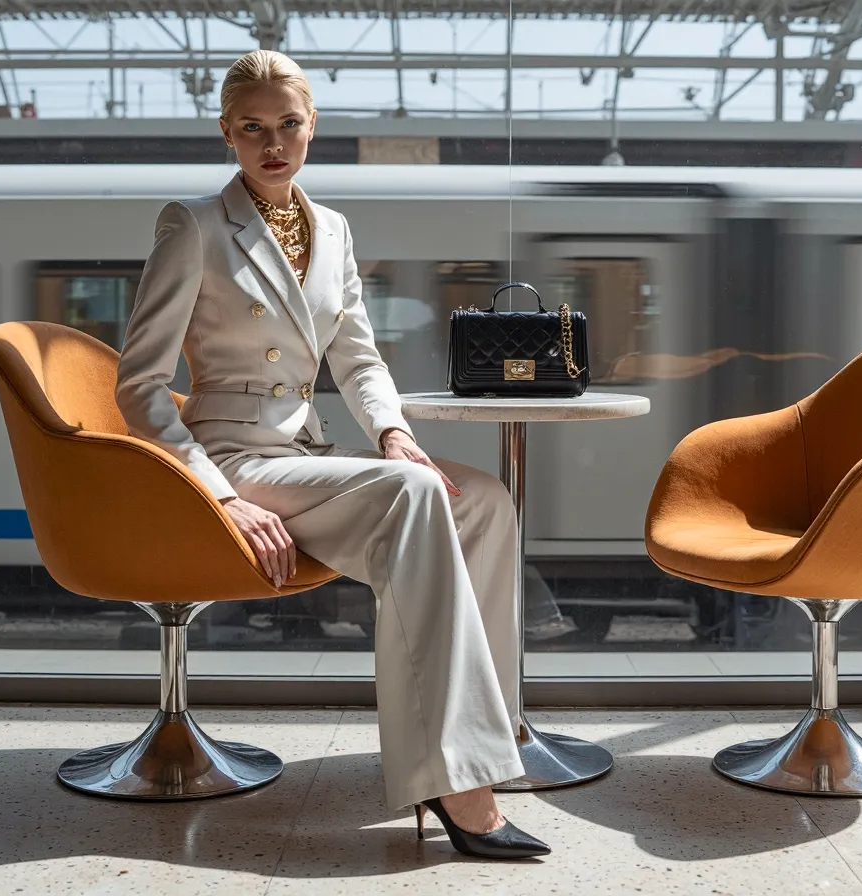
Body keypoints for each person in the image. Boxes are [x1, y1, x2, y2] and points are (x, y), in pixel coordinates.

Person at [114, 48, 549, 860]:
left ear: (313, 127)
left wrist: (392, 433)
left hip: (308, 454)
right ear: (227, 134)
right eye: (252, 129)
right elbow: (139, 385)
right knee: (416, 498)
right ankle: (459, 783)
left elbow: (356, 355)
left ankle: (490, 737)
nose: (273, 143)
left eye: (288, 125)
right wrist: (220, 496)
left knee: (479, 496)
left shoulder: (335, 228)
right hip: (236, 460)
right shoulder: (193, 224)